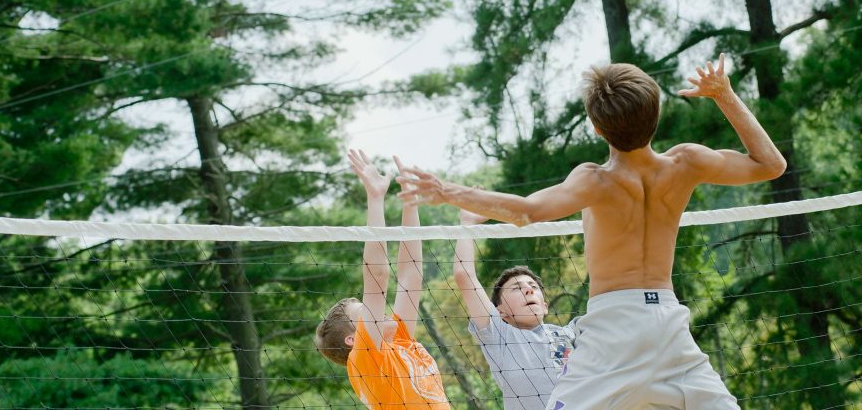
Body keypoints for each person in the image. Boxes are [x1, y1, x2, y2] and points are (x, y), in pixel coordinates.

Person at [398, 54, 785, 409]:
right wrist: (724, 94)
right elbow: (771, 164)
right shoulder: (685, 161)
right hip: (668, 323)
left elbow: (527, 212)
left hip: (613, 328)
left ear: (598, 129)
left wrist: (450, 192)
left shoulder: (596, 180)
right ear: (657, 114)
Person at [314, 149, 450, 409]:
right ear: (354, 339)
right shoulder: (366, 359)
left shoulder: (399, 341)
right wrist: (375, 199)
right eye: (366, 312)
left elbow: (410, 274)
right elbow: (377, 275)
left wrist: (410, 203)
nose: (379, 310)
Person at [454, 208, 577, 410]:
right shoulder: (500, 336)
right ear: (501, 312)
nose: (528, 290)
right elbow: (463, 275)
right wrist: (467, 222)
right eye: (516, 288)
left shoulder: (572, 332)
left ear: (545, 306)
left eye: (533, 287)